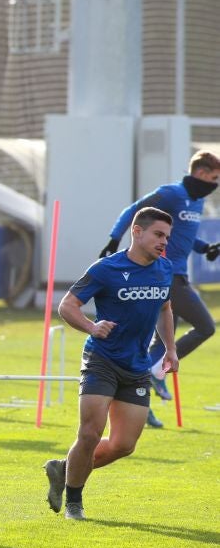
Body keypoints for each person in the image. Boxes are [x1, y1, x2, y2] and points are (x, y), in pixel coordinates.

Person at [44, 207, 177, 520]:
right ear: (137, 232)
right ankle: (74, 503)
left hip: (137, 366)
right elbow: (68, 305)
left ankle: (63, 469)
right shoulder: (107, 268)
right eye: (159, 234)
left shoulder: (165, 268)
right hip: (101, 360)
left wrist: (170, 349)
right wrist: (92, 326)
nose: (163, 242)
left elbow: (165, 309)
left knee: (123, 445)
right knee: (90, 433)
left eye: (167, 237)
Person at [99, 150, 220, 428]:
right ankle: (158, 372)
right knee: (206, 327)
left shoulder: (197, 202)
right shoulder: (171, 193)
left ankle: (140, 402)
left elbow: (183, 236)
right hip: (165, 275)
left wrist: (205, 249)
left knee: (159, 343)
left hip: (178, 274)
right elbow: (133, 212)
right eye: (214, 178)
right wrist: (113, 239)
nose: (216, 184)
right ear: (201, 174)